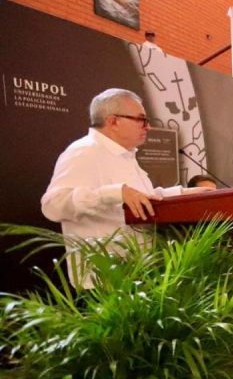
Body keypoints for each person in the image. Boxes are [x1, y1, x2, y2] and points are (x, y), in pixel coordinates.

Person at [41, 88, 194, 287]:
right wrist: (113, 193)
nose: (148, 127)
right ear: (113, 121)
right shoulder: (84, 151)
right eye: (141, 119)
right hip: (103, 281)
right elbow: (52, 204)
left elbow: (140, 199)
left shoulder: (126, 155)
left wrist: (183, 194)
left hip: (138, 273)